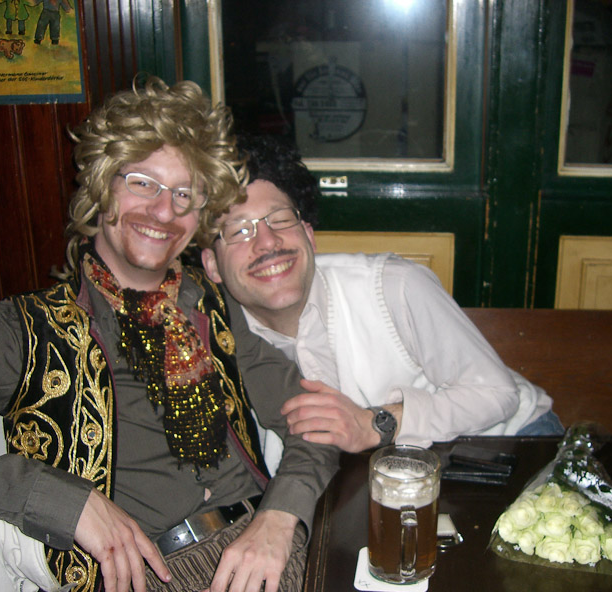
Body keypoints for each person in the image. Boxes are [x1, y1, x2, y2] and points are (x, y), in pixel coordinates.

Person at [0, 79, 338, 592]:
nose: (164, 211)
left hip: (265, 552)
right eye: (143, 183)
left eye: (184, 194)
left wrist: (280, 517)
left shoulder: (214, 306)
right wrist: (65, 501)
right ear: (101, 186)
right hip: (147, 579)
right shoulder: (22, 329)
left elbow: (316, 423)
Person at [201, 135, 564, 472]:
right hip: (394, 475)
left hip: (509, 442)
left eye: (280, 220)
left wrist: (373, 424)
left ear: (309, 235)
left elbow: (497, 395)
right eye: (239, 231)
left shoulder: (393, 284)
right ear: (212, 264)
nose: (267, 242)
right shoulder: (212, 336)